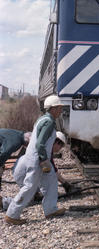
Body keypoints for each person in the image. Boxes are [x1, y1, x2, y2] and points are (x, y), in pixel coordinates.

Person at [4, 95, 65, 225]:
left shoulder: (42, 119)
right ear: (53, 108)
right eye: (59, 108)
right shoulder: (48, 122)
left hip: (37, 157)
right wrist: (43, 160)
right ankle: (12, 214)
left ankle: (50, 209)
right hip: (38, 158)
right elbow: (40, 144)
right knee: (30, 187)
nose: (61, 110)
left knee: (51, 181)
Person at [0, 131, 73, 211]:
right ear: (56, 143)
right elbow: (53, 171)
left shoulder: (44, 147)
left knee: (40, 182)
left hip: (21, 169)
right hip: (22, 173)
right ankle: (3, 202)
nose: (60, 149)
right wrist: (65, 184)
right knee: (28, 200)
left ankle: (34, 193)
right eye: (61, 146)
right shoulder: (45, 150)